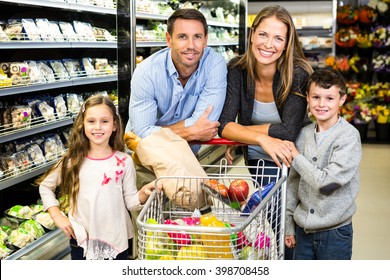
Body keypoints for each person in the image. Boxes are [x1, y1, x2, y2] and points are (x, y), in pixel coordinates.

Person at [217, 5, 313, 259]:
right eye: (263, 34)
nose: (268, 44)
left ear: (286, 44)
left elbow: (288, 131)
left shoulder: (298, 74)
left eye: (278, 38)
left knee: (296, 228)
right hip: (260, 161)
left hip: (295, 160)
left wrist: (241, 133)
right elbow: (224, 123)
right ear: (251, 35)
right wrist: (257, 137)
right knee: (279, 224)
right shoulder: (237, 70)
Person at [36, 95, 160, 260]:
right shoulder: (73, 160)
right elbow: (45, 186)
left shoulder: (124, 161)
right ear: (83, 124)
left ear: (115, 125)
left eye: (105, 121)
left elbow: (130, 202)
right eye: (91, 121)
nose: (98, 127)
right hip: (81, 239)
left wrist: (144, 191)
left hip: (116, 240)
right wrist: (57, 215)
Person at [126, 8, 227, 188]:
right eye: (182, 37)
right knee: (147, 213)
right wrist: (191, 131)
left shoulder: (215, 64)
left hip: (186, 157)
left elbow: (205, 122)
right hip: (145, 159)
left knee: (187, 215)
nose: (191, 45)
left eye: (197, 36)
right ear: (168, 39)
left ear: (206, 40)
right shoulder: (147, 72)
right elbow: (142, 133)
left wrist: (160, 131)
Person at [284, 67, 362, 260]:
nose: (321, 104)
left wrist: (296, 157)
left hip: (334, 233)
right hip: (302, 232)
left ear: (342, 100)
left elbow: (327, 183)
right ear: (307, 99)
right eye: (316, 97)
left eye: (329, 98)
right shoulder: (302, 135)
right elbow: (293, 183)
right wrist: (288, 225)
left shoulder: (349, 137)